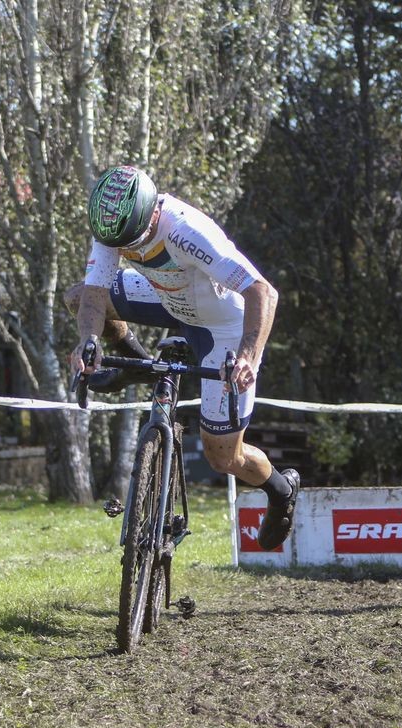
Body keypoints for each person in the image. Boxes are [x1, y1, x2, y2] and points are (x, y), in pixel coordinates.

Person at [67, 165, 298, 551]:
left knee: (223, 456)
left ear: (151, 215)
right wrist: (88, 341)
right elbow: (94, 293)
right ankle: (135, 363)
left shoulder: (187, 231)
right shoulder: (113, 224)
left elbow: (263, 292)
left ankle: (280, 489)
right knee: (75, 298)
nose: (122, 251)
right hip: (167, 299)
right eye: (117, 245)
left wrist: (246, 356)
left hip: (223, 326)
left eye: (131, 242)